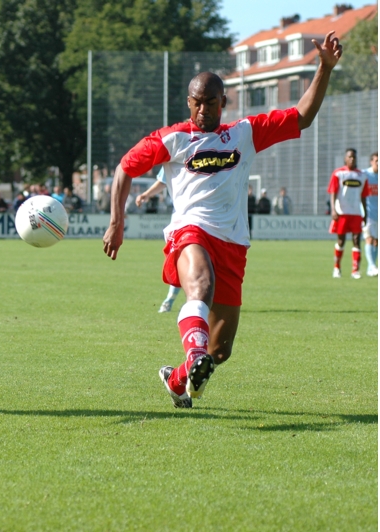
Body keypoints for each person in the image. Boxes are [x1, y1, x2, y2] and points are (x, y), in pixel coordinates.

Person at [102, 32, 342, 409]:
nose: (202, 111)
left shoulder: (244, 133)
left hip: (233, 244)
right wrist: (117, 222)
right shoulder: (173, 139)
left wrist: (323, 69)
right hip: (190, 232)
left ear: (223, 102)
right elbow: (124, 169)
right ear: (188, 102)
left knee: (221, 349)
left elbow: (302, 117)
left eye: (210, 103)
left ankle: (179, 378)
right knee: (200, 283)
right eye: (196, 103)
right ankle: (194, 356)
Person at [135, 168, 182, 313]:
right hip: (183, 220)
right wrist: (146, 194)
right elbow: (163, 180)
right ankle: (170, 300)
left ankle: (203, 302)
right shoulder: (176, 151)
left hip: (215, 222)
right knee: (179, 261)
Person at [329, 148, 369, 279]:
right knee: (341, 241)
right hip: (342, 212)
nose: (352, 159)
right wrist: (334, 209)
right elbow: (333, 192)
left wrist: (365, 213)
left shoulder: (362, 176)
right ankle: (337, 268)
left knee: (357, 240)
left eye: (354, 157)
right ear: (345, 158)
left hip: (356, 213)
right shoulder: (338, 174)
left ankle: (355, 270)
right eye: (350, 157)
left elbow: (364, 196)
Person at [362, 152, 378, 277]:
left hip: (378, 213)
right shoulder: (365, 175)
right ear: (371, 161)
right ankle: (373, 266)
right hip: (367, 213)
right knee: (369, 239)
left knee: (376, 241)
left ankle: (370, 268)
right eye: (376, 160)